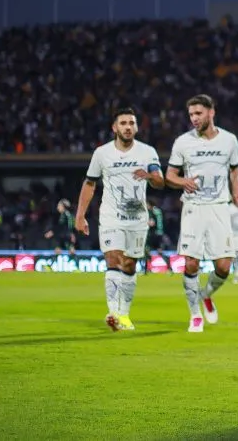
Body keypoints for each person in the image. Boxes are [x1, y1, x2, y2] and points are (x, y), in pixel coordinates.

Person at [165, 94, 238, 332]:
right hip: (193, 207)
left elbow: (235, 168)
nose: (194, 118)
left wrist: (236, 186)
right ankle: (195, 315)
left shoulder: (229, 140)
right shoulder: (183, 142)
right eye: (191, 114)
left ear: (211, 112)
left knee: (223, 266)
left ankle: (205, 294)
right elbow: (170, 175)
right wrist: (182, 181)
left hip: (219, 207)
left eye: (198, 113)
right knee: (191, 263)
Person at [75, 107, 165, 331]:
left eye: (131, 123)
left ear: (136, 127)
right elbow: (89, 183)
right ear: (114, 128)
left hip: (137, 219)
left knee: (130, 265)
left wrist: (150, 176)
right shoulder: (102, 153)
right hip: (111, 217)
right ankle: (114, 313)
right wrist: (80, 215)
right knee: (113, 259)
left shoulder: (147, 152)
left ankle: (124, 314)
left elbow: (160, 181)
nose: (127, 127)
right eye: (123, 123)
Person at [143, 200, 168, 274]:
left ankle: (147, 269)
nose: (146, 206)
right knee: (160, 251)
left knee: (147, 250)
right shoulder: (159, 211)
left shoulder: (151, 212)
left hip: (153, 235)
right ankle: (169, 268)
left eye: (147, 204)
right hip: (160, 234)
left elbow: (152, 223)